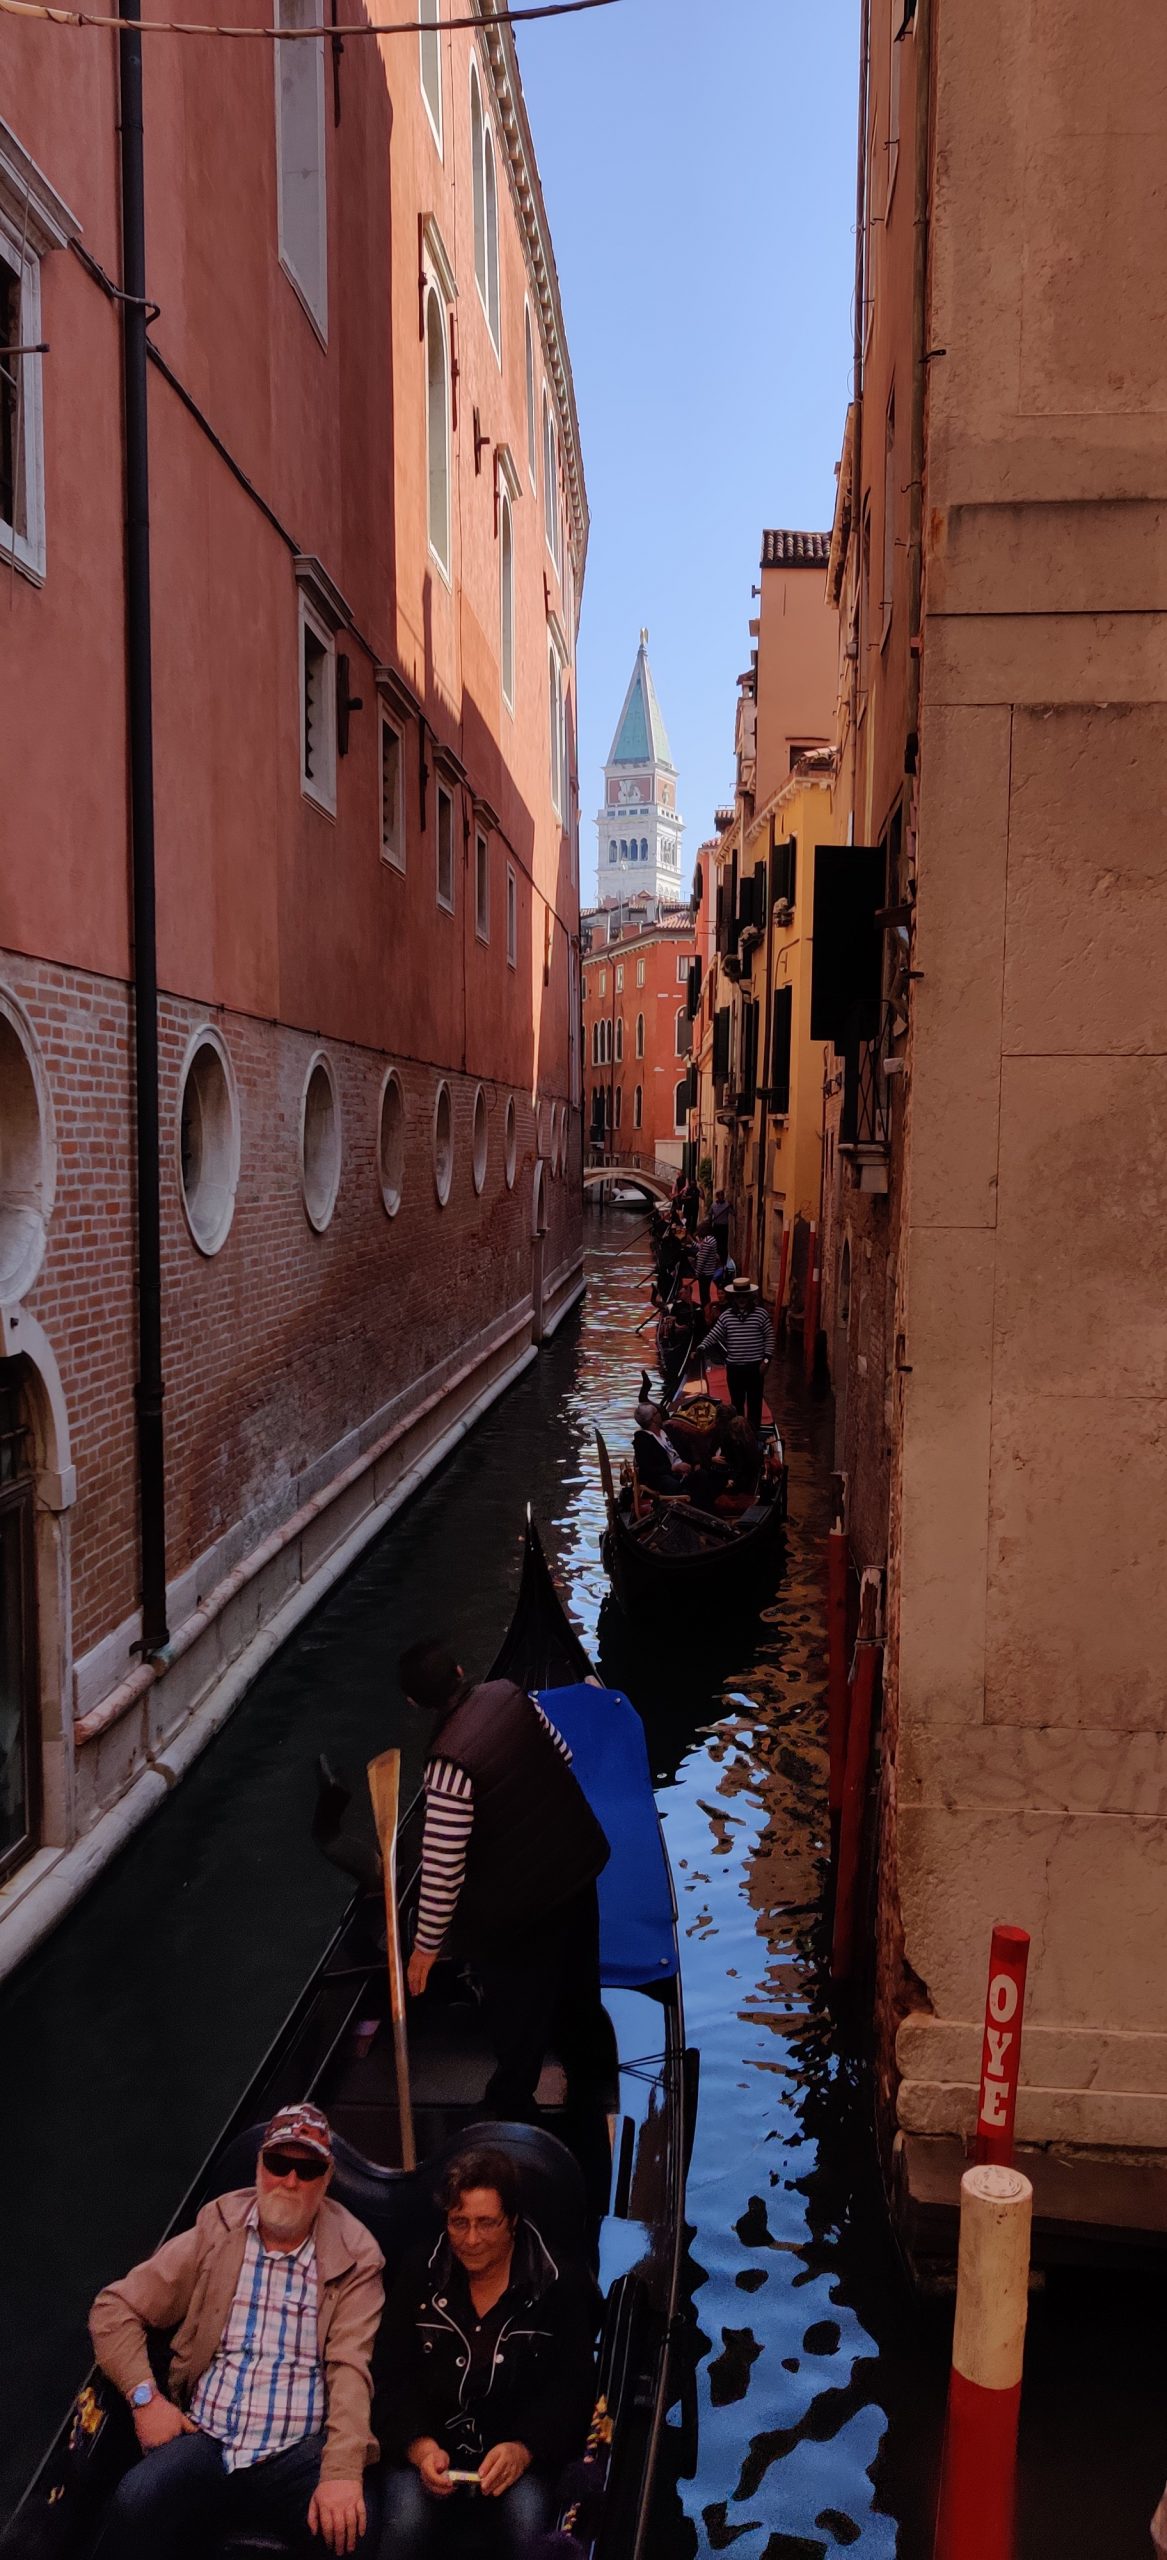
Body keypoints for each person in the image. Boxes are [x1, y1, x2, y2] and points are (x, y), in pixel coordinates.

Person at [88, 2102, 383, 2560]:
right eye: (278, 2164)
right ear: (259, 2166)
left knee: (352, 2532)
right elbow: (115, 2308)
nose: (289, 2180)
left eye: (307, 2170)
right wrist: (145, 2399)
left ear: (326, 2183)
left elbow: (350, 2368)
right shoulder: (217, 2228)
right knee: (134, 2502)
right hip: (209, 2438)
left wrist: (342, 2471)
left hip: (297, 2451)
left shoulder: (356, 2254)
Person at [399, 1641, 611, 2124]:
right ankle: (591, 2072)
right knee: (580, 1983)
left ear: (416, 1704)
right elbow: (564, 1754)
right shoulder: (514, 1696)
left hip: (521, 1911)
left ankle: (512, 2100)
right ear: (459, 1668)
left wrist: (426, 1947)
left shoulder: (447, 1765)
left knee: (519, 2008)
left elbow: (443, 1866)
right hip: (576, 1871)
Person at [376, 2145, 598, 2558]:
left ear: (512, 2221)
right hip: (430, 2451)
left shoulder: (558, 2283)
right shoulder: (417, 2271)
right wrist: (419, 2447)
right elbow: (390, 2376)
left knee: (526, 2527)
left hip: (519, 2459)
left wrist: (525, 2448)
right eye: (459, 2223)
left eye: (486, 2224)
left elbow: (573, 2390)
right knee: (403, 2526)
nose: (471, 2240)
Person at [703, 1276, 775, 1430]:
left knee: (755, 1403)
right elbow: (714, 1334)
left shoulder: (761, 1315)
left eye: (744, 1296)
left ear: (749, 1297)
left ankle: (753, 1434)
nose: (741, 1299)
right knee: (737, 1403)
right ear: (734, 1297)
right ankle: (740, 1433)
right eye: (738, 1296)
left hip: (755, 1367)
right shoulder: (726, 1316)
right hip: (734, 1368)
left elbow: (770, 1338)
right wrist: (701, 1347)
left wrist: (766, 1361)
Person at [633, 1399, 691, 1497]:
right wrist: (673, 1468)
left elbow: (685, 1448)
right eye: (657, 1413)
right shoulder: (642, 1440)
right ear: (652, 1419)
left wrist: (693, 1464)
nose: (660, 1414)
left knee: (701, 1475)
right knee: (672, 1484)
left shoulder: (668, 1430)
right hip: (663, 1476)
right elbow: (648, 1469)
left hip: (683, 1469)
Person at [694, 1223, 720, 1318]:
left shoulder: (708, 1241)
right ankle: (707, 1313)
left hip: (705, 1273)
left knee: (704, 1295)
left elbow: (702, 1259)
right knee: (705, 1294)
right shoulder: (711, 1240)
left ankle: (706, 1315)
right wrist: (691, 1241)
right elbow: (701, 1248)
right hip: (709, 1271)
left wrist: (697, 1273)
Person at [711, 1187, 731, 1264]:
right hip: (716, 1227)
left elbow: (733, 1213)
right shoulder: (713, 1205)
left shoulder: (727, 1205)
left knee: (724, 1244)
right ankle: (716, 1260)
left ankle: (724, 1261)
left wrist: (731, 1206)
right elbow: (710, 1215)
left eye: (722, 1195)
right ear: (717, 1196)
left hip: (724, 1227)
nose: (722, 1197)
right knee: (716, 1244)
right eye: (720, 1195)